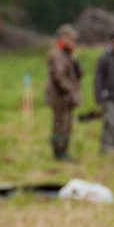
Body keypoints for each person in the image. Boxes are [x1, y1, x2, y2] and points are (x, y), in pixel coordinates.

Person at [45, 22, 82, 162]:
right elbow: (58, 77)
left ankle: (64, 152)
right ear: (62, 38)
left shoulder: (68, 54)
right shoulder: (56, 54)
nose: (73, 41)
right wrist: (69, 89)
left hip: (68, 97)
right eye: (70, 38)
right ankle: (59, 154)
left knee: (67, 124)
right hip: (60, 97)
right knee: (60, 125)